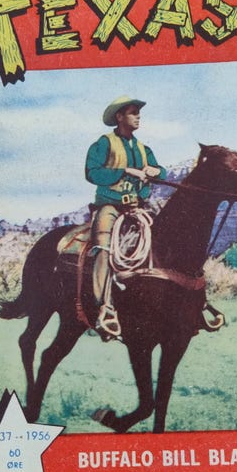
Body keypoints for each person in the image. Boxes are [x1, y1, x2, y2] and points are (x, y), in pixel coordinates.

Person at [85, 96, 166, 340]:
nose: (138, 116)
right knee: (103, 248)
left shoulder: (143, 148)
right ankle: (103, 308)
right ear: (119, 117)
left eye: (138, 113)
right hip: (110, 206)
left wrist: (155, 171)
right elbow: (92, 172)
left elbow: (162, 172)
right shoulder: (104, 143)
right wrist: (125, 171)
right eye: (132, 112)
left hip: (138, 208)